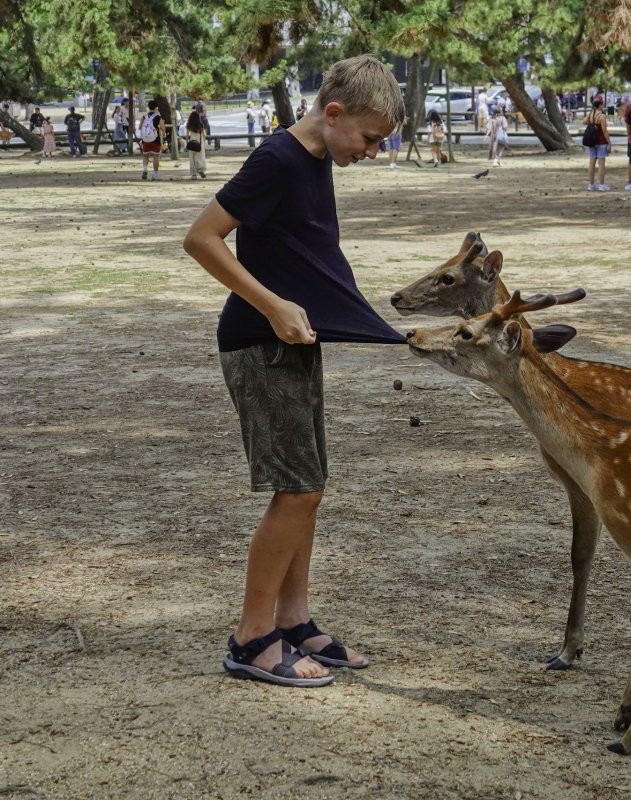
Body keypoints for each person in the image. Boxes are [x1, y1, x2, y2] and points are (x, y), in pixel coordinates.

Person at [182, 54, 407, 689]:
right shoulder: (277, 159)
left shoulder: (315, 158)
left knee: (306, 489)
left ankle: (294, 618)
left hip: (295, 341)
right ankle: (251, 637)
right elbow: (201, 237)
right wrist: (273, 305)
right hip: (260, 343)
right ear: (333, 114)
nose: (368, 151)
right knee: (298, 491)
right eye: (366, 138)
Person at [583, 95, 611, 191]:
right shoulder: (602, 116)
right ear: (600, 106)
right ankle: (601, 184)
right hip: (601, 141)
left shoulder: (591, 114)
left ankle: (591, 184)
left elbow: (584, 122)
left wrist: (592, 124)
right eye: (602, 105)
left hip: (592, 141)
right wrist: (609, 143)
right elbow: (604, 130)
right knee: (601, 163)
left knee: (592, 162)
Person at [139, 99, 166, 180]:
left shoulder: (144, 116)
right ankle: (155, 174)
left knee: (145, 155)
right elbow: (162, 128)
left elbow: (140, 127)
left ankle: (145, 169)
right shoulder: (158, 117)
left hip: (145, 139)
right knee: (156, 156)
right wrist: (163, 135)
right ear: (156, 107)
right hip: (155, 139)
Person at [185, 108, 207, 179]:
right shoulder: (200, 125)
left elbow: (187, 135)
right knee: (199, 157)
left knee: (192, 158)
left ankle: (193, 174)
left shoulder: (188, 125)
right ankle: (200, 168)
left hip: (192, 141)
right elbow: (203, 135)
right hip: (200, 142)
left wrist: (187, 142)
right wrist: (204, 143)